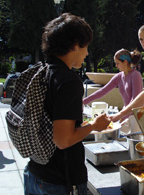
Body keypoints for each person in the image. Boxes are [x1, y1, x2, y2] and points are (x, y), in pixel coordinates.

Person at [24, 13, 111, 195]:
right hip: (59, 181)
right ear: (75, 43)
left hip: (35, 172)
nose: (87, 53)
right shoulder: (68, 81)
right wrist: (94, 126)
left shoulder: (41, 72)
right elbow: (63, 140)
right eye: (86, 46)